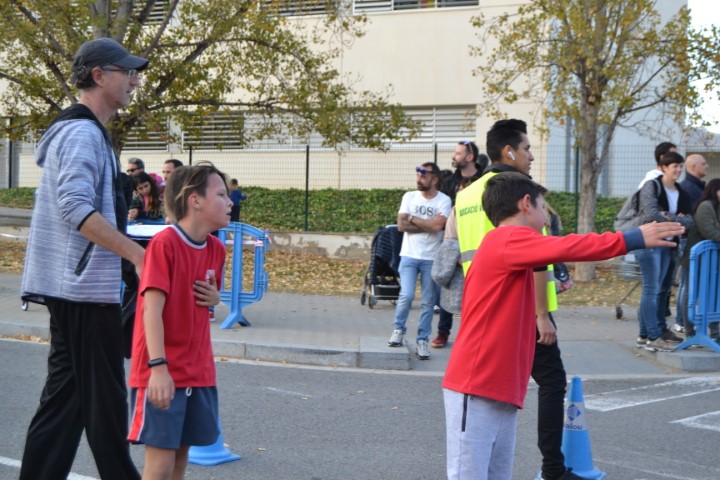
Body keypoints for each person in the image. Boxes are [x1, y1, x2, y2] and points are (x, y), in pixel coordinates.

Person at [443, 172, 684, 480]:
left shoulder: (510, 245)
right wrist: (632, 238)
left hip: (497, 388)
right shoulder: (506, 238)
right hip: (477, 385)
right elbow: (569, 247)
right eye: (543, 206)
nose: (547, 215)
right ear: (526, 203)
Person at [19, 37, 148, 480]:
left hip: (73, 287)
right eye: (126, 72)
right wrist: (136, 255)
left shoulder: (87, 132)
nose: (134, 81)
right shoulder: (81, 133)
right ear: (98, 75)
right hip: (82, 290)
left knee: (65, 404)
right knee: (106, 406)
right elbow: (74, 207)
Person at [453, 119, 579, 480]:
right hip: (523, 306)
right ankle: (553, 469)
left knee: (492, 397)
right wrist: (542, 314)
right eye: (527, 149)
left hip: (482, 306)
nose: (531, 156)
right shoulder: (518, 193)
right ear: (508, 152)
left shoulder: (465, 195)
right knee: (552, 382)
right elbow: (534, 255)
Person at [128, 162, 231, 480]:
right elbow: (151, 310)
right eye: (221, 194)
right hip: (161, 371)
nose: (230, 202)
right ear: (194, 200)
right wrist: (158, 368)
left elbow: (206, 301)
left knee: (180, 462)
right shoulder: (165, 244)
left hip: (198, 371)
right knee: (159, 466)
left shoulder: (216, 248)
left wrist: (216, 299)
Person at [388, 162, 451, 360]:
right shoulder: (409, 196)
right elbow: (400, 225)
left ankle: (422, 340)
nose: (419, 179)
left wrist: (413, 219)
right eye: (417, 175)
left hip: (431, 258)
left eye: (423, 176)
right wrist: (428, 224)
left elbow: (437, 227)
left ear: (435, 179)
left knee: (428, 302)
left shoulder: (444, 200)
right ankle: (398, 330)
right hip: (409, 255)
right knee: (406, 295)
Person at [432, 141, 488, 348]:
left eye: (457, 153)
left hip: (478, 241)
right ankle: (443, 332)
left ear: (470, 157)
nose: (453, 157)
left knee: (476, 294)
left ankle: (475, 336)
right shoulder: (449, 182)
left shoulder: (485, 179)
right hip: (454, 239)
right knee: (450, 288)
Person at [635, 151, 693, 351]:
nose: (678, 170)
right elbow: (651, 213)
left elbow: (689, 221)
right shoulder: (652, 186)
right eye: (674, 166)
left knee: (663, 290)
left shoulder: (681, 192)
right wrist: (676, 219)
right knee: (651, 289)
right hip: (650, 244)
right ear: (663, 168)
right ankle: (653, 336)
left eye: (680, 166)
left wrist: (667, 216)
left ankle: (648, 333)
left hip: (670, 245)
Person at [680, 178, 720, 341]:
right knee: (691, 294)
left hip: (711, 260)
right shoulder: (706, 206)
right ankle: (690, 332)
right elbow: (709, 232)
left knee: (714, 295)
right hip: (696, 259)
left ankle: (715, 332)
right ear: (715, 191)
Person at [674, 153, 709, 332]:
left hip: (692, 240)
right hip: (689, 241)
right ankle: (683, 322)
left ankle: (683, 321)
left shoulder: (696, 187)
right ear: (694, 166)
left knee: (687, 284)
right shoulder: (688, 189)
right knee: (687, 284)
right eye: (704, 163)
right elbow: (692, 217)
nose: (707, 166)